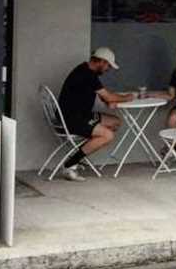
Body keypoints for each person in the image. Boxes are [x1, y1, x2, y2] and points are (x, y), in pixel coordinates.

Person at [57, 47, 133, 181]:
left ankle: (81, 152)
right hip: (72, 119)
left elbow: (101, 94)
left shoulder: (85, 69)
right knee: (108, 135)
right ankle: (70, 164)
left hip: (79, 115)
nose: (107, 69)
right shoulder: (88, 75)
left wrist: (108, 99)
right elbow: (108, 96)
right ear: (102, 62)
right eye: (108, 65)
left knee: (115, 122)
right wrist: (128, 97)